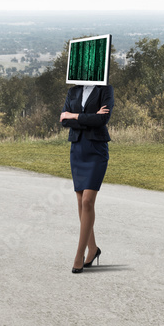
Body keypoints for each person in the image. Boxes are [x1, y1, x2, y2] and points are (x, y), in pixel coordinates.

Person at [59, 82, 114, 273]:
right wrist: (88, 117)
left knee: (88, 202)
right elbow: (63, 121)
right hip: (77, 149)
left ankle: (78, 255)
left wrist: (74, 115)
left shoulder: (105, 90)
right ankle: (93, 249)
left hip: (96, 150)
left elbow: (101, 120)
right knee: (81, 201)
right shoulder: (73, 91)